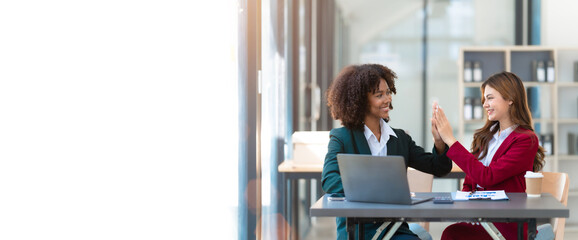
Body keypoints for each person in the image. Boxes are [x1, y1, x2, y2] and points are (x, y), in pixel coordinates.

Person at [322, 63, 453, 240]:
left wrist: (439, 141)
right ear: (360, 101)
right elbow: (329, 180)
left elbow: (439, 167)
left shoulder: (400, 139)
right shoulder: (342, 137)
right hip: (359, 230)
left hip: (395, 228)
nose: (387, 99)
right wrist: (376, 191)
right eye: (379, 95)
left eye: (388, 93)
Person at [432, 71, 545, 240]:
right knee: (451, 232)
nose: (485, 104)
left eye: (490, 98)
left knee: (452, 234)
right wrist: (440, 141)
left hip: (507, 224)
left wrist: (451, 140)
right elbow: (470, 181)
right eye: (484, 99)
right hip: (481, 219)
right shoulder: (485, 137)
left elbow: (487, 176)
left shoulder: (526, 139)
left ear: (510, 99)